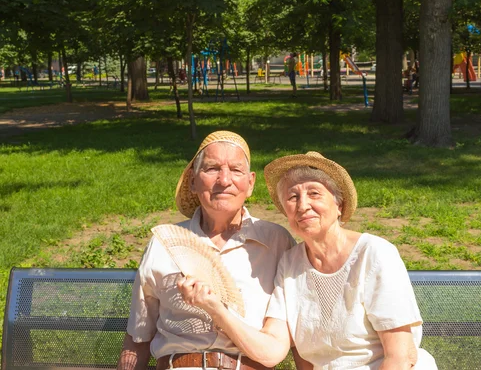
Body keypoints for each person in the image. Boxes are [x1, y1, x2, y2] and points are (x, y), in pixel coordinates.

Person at [179, 151, 438, 369]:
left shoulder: (374, 253)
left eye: (314, 194)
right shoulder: (290, 263)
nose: (303, 205)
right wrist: (217, 310)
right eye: (292, 197)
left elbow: (401, 356)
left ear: (339, 205)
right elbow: (280, 347)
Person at [118, 130, 296, 370]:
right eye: (212, 169)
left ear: (250, 183)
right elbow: (138, 337)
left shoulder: (276, 242)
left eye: (236, 170)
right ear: (193, 180)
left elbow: (294, 339)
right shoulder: (163, 244)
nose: (224, 180)